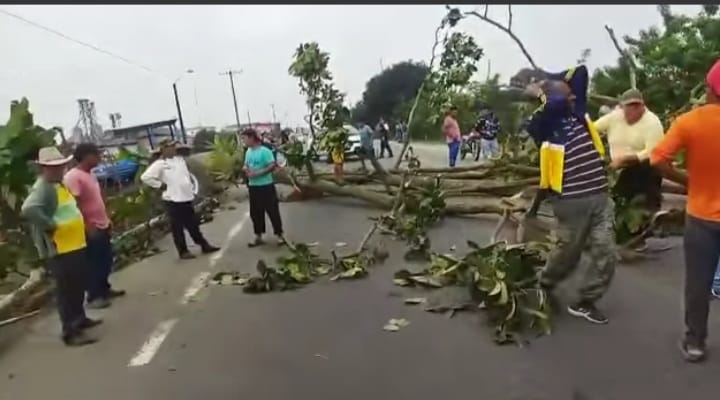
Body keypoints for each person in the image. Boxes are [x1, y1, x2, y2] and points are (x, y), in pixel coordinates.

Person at [524, 64, 616, 325]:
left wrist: (547, 78)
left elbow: (582, 71)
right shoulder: (542, 123)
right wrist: (541, 91)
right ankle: (546, 283)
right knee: (568, 254)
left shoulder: (577, 113)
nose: (575, 96)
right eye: (569, 95)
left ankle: (585, 301)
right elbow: (552, 103)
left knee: (606, 252)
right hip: (570, 202)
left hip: (600, 197)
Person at [649, 58, 720, 363]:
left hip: (702, 217)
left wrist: (688, 180)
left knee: (698, 284)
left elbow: (658, 160)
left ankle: (695, 342)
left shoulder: (689, 122)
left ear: (710, 89)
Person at [21, 146, 101, 346]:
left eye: (61, 166)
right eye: (53, 167)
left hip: (75, 244)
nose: (59, 170)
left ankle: (80, 318)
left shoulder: (59, 184)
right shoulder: (43, 187)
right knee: (67, 291)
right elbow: (29, 208)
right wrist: (50, 226)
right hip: (62, 248)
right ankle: (70, 331)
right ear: (43, 169)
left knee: (77, 285)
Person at [64, 143, 125, 310]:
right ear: (86, 156)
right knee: (93, 263)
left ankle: (104, 288)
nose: (99, 158)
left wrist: (106, 218)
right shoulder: (73, 177)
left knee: (105, 260)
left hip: (101, 224)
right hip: (90, 228)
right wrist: (85, 225)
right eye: (96, 154)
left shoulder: (89, 174)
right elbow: (73, 204)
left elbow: (95, 199)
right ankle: (94, 296)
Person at [140, 139, 219, 260]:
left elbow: (185, 177)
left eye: (173, 146)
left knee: (193, 224)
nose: (173, 149)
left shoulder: (180, 160)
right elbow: (145, 177)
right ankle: (183, 251)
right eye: (169, 147)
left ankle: (204, 245)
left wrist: (191, 189)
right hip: (172, 200)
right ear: (164, 149)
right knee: (177, 228)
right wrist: (160, 185)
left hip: (186, 197)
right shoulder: (160, 164)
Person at [594, 88, 665, 213]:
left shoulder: (653, 123)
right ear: (622, 107)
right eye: (628, 107)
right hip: (615, 168)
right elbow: (592, 129)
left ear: (642, 106)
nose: (632, 110)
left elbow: (654, 151)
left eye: (636, 106)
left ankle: (649, 208)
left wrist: (629, 159)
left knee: (649, 166)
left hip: (641, 168)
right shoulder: (615, 117)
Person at [241, 128, 286, 247]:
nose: (243, 141)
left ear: (251, 138)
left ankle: (280, 235)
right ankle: (258, 236)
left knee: (272, 211)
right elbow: (246, 164)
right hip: (253, 187)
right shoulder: (248, 152)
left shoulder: (265, 151)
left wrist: (259, 173)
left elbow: (272, 165)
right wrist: (245, 169)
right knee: (255, 213)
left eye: (244, 138)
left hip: (266, 186)